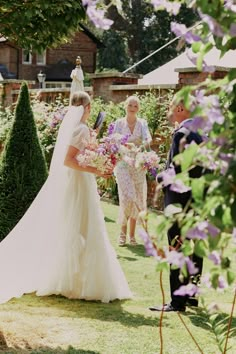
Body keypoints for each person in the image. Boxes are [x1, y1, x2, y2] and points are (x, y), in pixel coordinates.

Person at [0, 91, 132, 304]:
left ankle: (74, 279)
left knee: (79, 228)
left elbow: (80, 155)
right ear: (86, 108)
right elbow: (68, 160)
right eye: (89, 108)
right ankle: (74, 281)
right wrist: (96, 170)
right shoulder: (79, 129)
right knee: (80, 228)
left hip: (80, 182)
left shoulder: (79, 129)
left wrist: (97, 157)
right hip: (77, 184)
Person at [149, 100, 204, 312]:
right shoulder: (201, 133)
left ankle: (177, 301)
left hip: (179, 201)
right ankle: (191, 296)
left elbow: (177, 170)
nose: (169, 112)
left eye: (171, 107)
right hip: (198, 199)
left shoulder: (182, 134)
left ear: (180, 109)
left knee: (176, 245)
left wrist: (158, 176)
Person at [113, 95, 152, 246]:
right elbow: (112, 140)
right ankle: (122, 234)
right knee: (126, 197)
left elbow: (148, 139)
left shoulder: (142, 123)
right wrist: (125, 145)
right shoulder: (118, 123)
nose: (133, 108)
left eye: (136, 106)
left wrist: (141, 147)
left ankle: (132, 236)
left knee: (137, 198)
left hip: (138, 164)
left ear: (138, 108)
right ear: (125, 106)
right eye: (130, 105)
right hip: (122, 163)